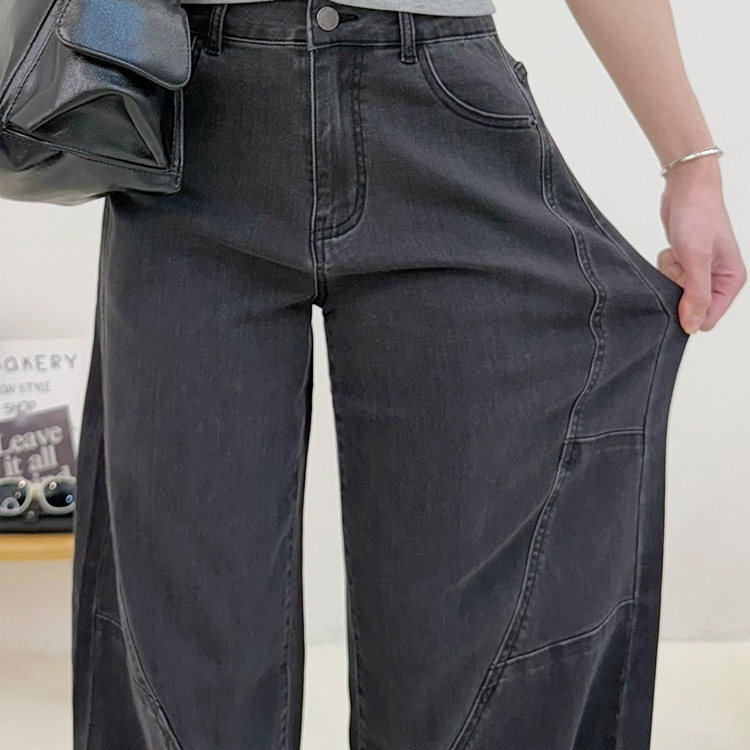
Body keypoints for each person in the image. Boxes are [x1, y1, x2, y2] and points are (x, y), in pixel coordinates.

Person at [70, 1, 745, 749]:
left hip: (441, 106)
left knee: (470, 651)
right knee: (180, 652)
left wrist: (693, 165)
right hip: (185, 114)